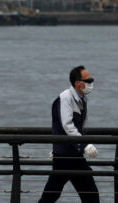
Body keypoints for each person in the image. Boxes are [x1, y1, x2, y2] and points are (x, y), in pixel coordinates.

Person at [38, 65, 99, 202]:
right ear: (78, 84)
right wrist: (84, 145)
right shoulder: (66, 98)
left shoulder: (81, 98)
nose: (91, 83)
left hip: (72, 154)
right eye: (88, 80)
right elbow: (67, 125)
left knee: (89, 194)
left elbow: (69, 127)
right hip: (65, 156)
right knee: (52, 195)